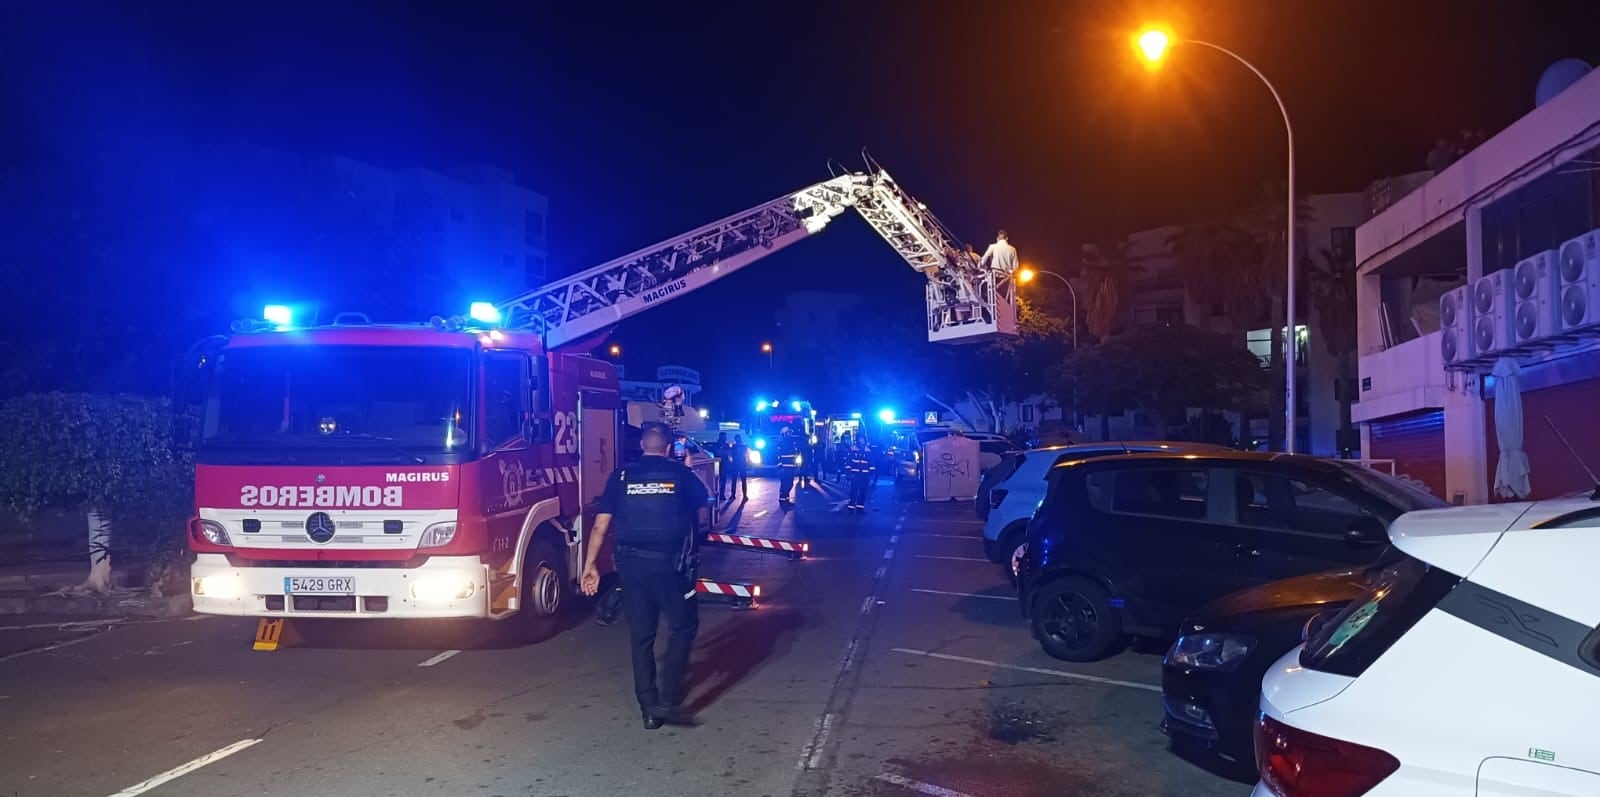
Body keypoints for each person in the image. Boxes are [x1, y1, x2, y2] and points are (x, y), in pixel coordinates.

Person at [580, 422, 709, 730]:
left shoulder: (621, 477)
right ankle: (670, 697)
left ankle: (649, 710)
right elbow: (702, 504)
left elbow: (600, 526)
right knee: (683, 627)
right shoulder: (680, 474)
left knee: (641, 638)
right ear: (667, 448)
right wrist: (687, 468)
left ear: (641, 445)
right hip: (671, 568)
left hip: (632, 569)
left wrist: (590, 566)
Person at [775, 428, 802, 505]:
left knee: (789, 483)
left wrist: (796, 466)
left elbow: (794, 455)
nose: (790, 434)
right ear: (784, 434)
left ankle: (785, 499)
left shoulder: (792, 443)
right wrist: (780, 466)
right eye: (788, 433)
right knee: (786, 484)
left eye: (790, 433)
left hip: (791, 467)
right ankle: (783, 500)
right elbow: (778, 456)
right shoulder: (783, 443)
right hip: (785, 468)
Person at [729, 434, 750, 499]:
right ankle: (743, 495)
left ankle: (737, 495)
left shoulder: (735, 447)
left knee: (736, 480)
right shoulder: (742, 446)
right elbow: (746, 455)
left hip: (737, 464)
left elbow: (731, 455)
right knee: (740, 480)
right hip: (740, 464)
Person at [714, 431, 733, 500]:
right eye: (724, 437)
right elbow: (717, 453)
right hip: (717, 465)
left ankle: (722, 495)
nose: (725, 438)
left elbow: (730, 452)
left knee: (723, 480)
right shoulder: (717, 444)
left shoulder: (726, 445)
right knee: (716, 480)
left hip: (724, 465)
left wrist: (724, 453)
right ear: (720, 437)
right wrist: (724, 453)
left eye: (725, 437)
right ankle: (716, 494)